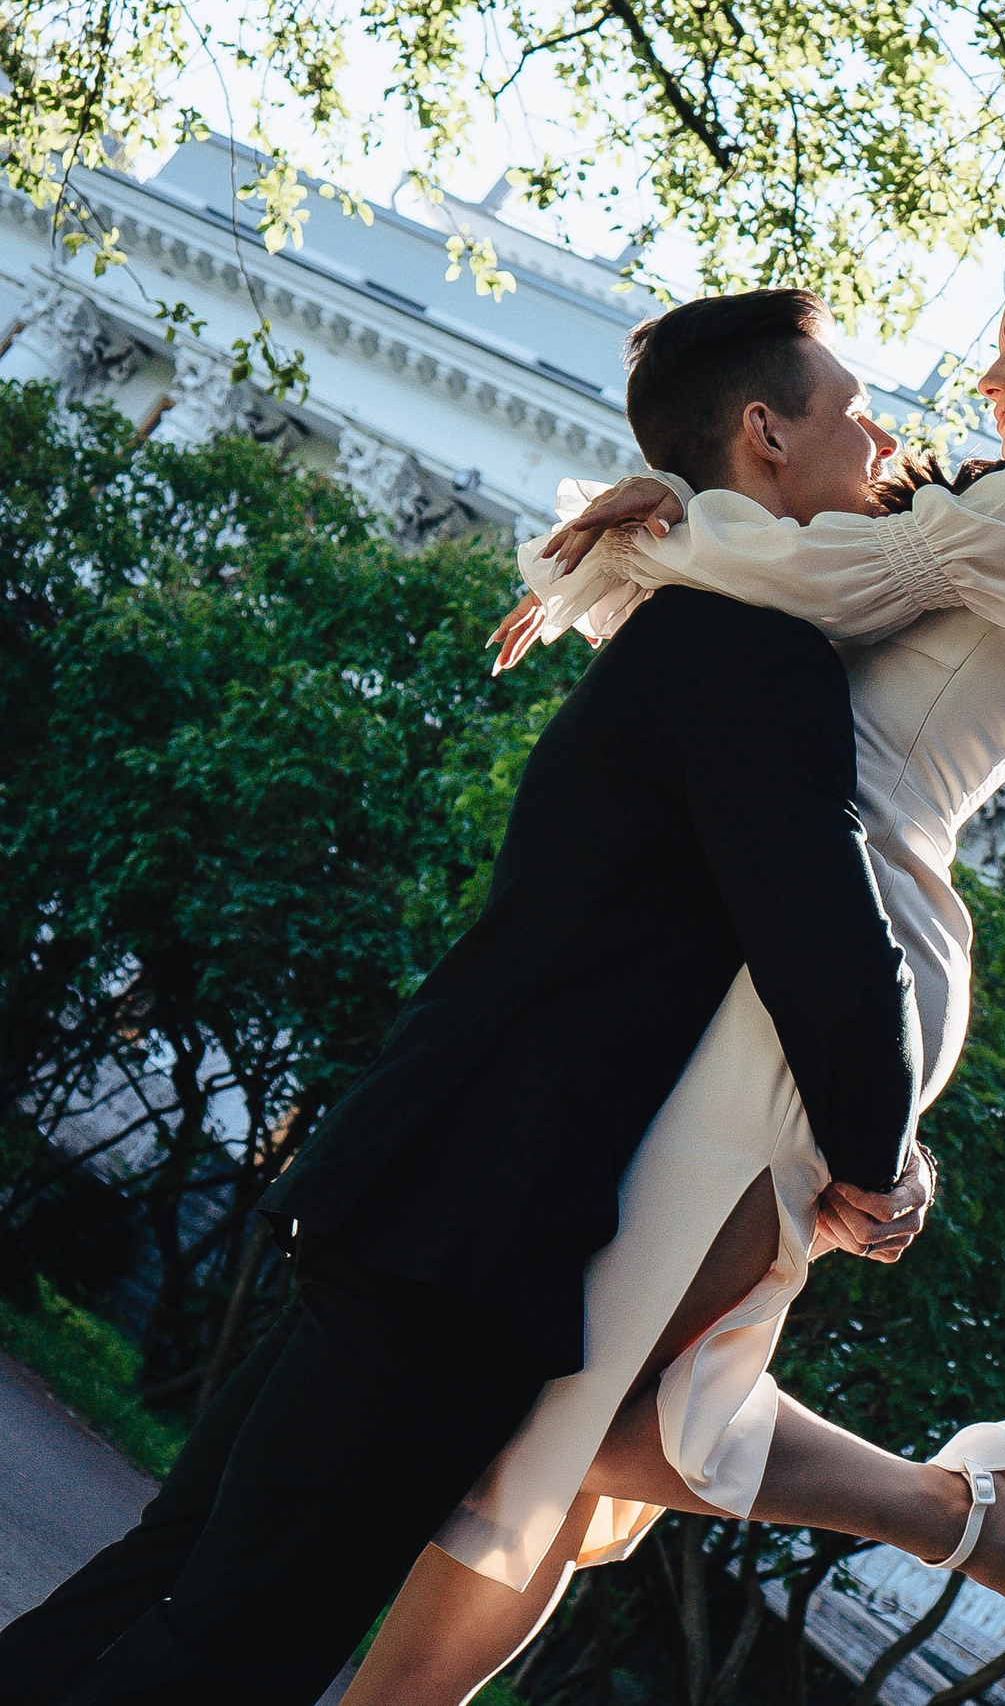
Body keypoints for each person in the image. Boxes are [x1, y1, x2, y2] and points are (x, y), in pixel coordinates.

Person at [0, 297, 929, 1704]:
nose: (883, 434)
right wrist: (884, 1158)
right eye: (854, 407)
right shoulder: (755, 659)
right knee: (240, 1639)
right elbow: (832, 949)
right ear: (767, 433)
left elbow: (945, 529)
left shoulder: (684, 621)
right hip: (472, 1238)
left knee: (175, 1575)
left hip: (403, 1183)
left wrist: (670, 509)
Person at [343, 245, 1005, 1704]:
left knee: (568, 1419)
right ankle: (980, 1524)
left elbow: (836, 576)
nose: (990, 373)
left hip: (836, 949)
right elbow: (790, 568)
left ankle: (978, 1527)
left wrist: (654, 533)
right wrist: (678, 517)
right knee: (601, 1420)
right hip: (786, 933)